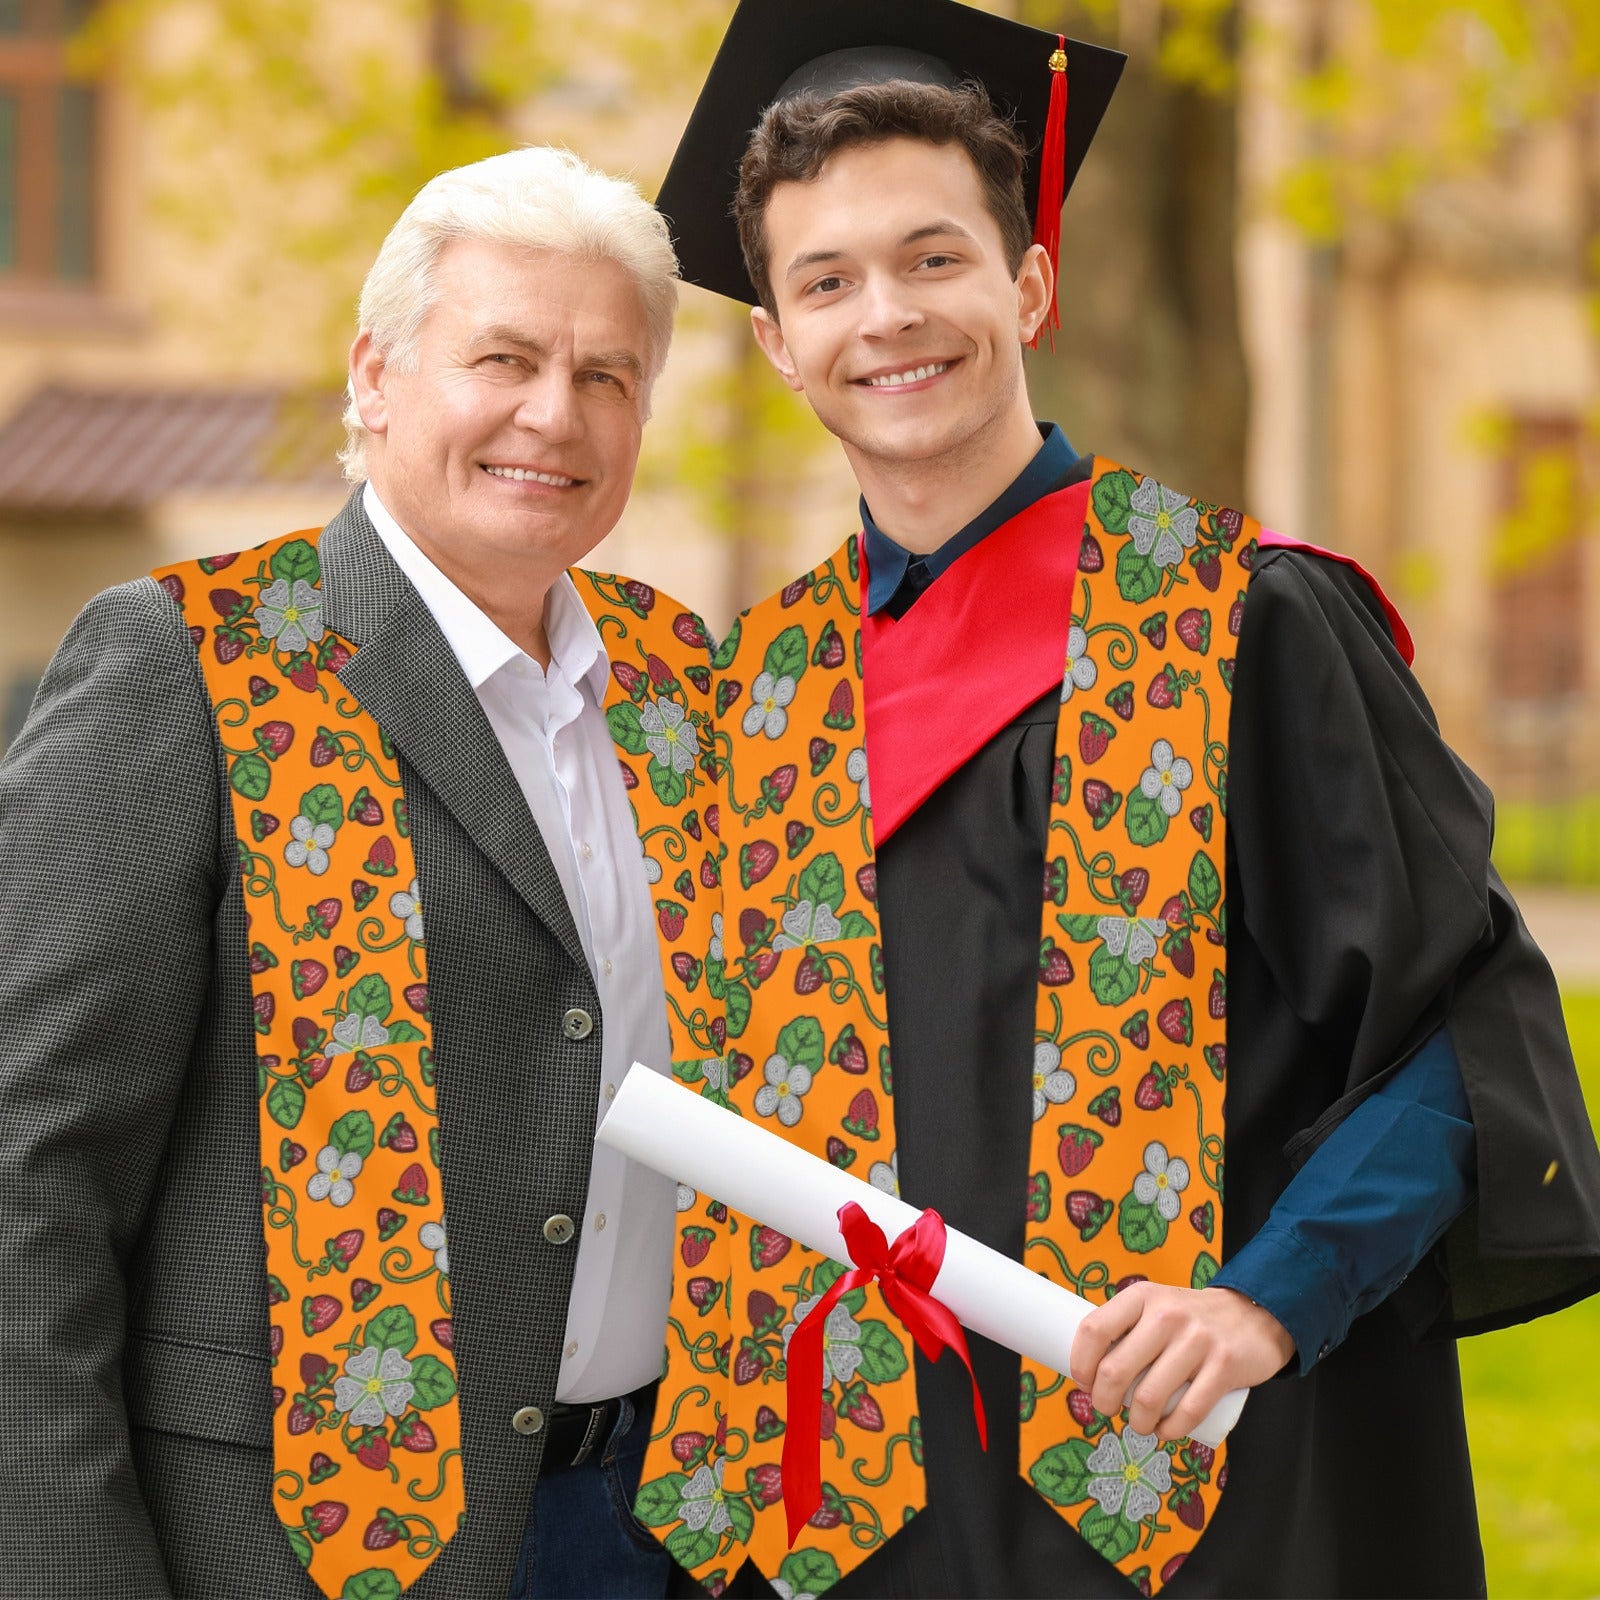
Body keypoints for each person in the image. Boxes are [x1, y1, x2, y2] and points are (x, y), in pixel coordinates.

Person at [629, 3, 1600, 1596]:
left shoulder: (1246, 623)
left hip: (1201, 1495)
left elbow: (1462, 1033)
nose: (888, 316)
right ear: (778, 342)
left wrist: (1268, 1299)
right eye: (828, 281)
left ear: (1029, 282)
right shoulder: (760, 692)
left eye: (935, 259)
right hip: (860, 1523)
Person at [0, 146, 722, 1600]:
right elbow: (29, 1173)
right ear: (375, 376)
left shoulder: (678, 683)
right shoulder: (190, 662)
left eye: (606, 375)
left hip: (656, 1528)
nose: (553, 414)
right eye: (503, 357)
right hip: (291, 1546)